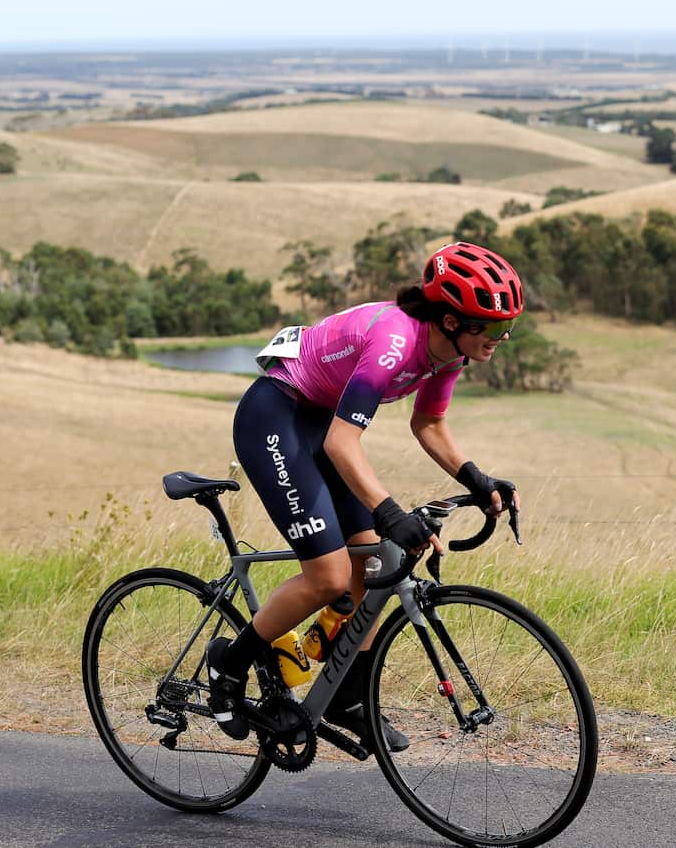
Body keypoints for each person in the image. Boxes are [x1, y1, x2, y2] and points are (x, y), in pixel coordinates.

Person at [208, 241, 523, 749]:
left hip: (319, 423)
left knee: (374, 564)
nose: (499, 338)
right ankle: (230, 664)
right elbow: (341, 441)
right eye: (488, 327)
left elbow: (429, 423)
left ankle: (346, 697)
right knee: (329, 576)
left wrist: (475, 478)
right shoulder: (395, 341)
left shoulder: (450, 355)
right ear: (448, 320)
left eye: (507, 327)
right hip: (278, 417)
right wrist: (390, 511)